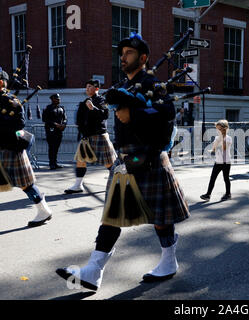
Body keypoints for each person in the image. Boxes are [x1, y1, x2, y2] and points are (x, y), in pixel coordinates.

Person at [55, 33, 190, 291]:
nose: (123, 56)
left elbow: (167, 118)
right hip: (124, 160)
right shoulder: (123, 86)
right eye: (122, 52)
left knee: (160, 219)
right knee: (112, 216)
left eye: (129, 53)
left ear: (143, 58)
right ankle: (94, 271)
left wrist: (134, 113)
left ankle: (169, 260)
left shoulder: (154, 85)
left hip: (148, 159)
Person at [0, 69, 52, 227]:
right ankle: (43, 210)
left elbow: (19, 124)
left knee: (26, 184)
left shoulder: (11, 102)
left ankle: (43, 210)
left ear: (1, 82)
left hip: (9, 148)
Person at [64, 79, 117, 194]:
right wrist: (81, 129)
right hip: (87, 137)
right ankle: (78, 185)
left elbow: (105, 115)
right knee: (80, 160)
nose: (87, 89)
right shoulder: (85, 101)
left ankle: (118, 182)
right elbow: (80, 119)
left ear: (96, 88)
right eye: (86, 86)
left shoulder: (102, 101)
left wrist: (93, 108)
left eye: (89, 86)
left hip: (99, 136)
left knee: (109, 163)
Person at [200, 120, 232, 201]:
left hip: (226, 162)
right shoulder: (217, 138)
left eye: (219, 129)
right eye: (217, 129)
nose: (218, 131)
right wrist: (212, 150)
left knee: (226, 178)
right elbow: (214, 148)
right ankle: (208, 194)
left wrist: (220, 139)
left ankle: (228, 194)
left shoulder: (228, 138)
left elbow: (223, 148)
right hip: (218, 161)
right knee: (212, 178)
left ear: (225, 129)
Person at [42, 93, 67, 169]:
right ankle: (51, 163)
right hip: (51, 131)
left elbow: (65, 118)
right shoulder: (48, 108)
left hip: (59, 131)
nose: (58, 100)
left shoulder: (61, 108)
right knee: (52, 147)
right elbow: (45, 119)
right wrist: (55, 124)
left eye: (59, 99)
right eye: (56, 99)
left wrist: (63, 124)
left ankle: (55, 163)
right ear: (52, 99)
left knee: (56, 147)